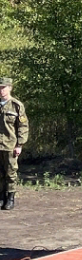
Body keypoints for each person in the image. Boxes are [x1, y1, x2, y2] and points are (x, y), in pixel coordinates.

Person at [0, 77, 28, 210]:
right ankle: (1, 197)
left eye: (3, 87)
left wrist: (20, 145)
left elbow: (23, 126)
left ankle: (10, 198)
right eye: (0, 88)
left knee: (10, 173)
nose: (1, 90)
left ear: (10, 88)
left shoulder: (16, 105)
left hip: (10, 145)